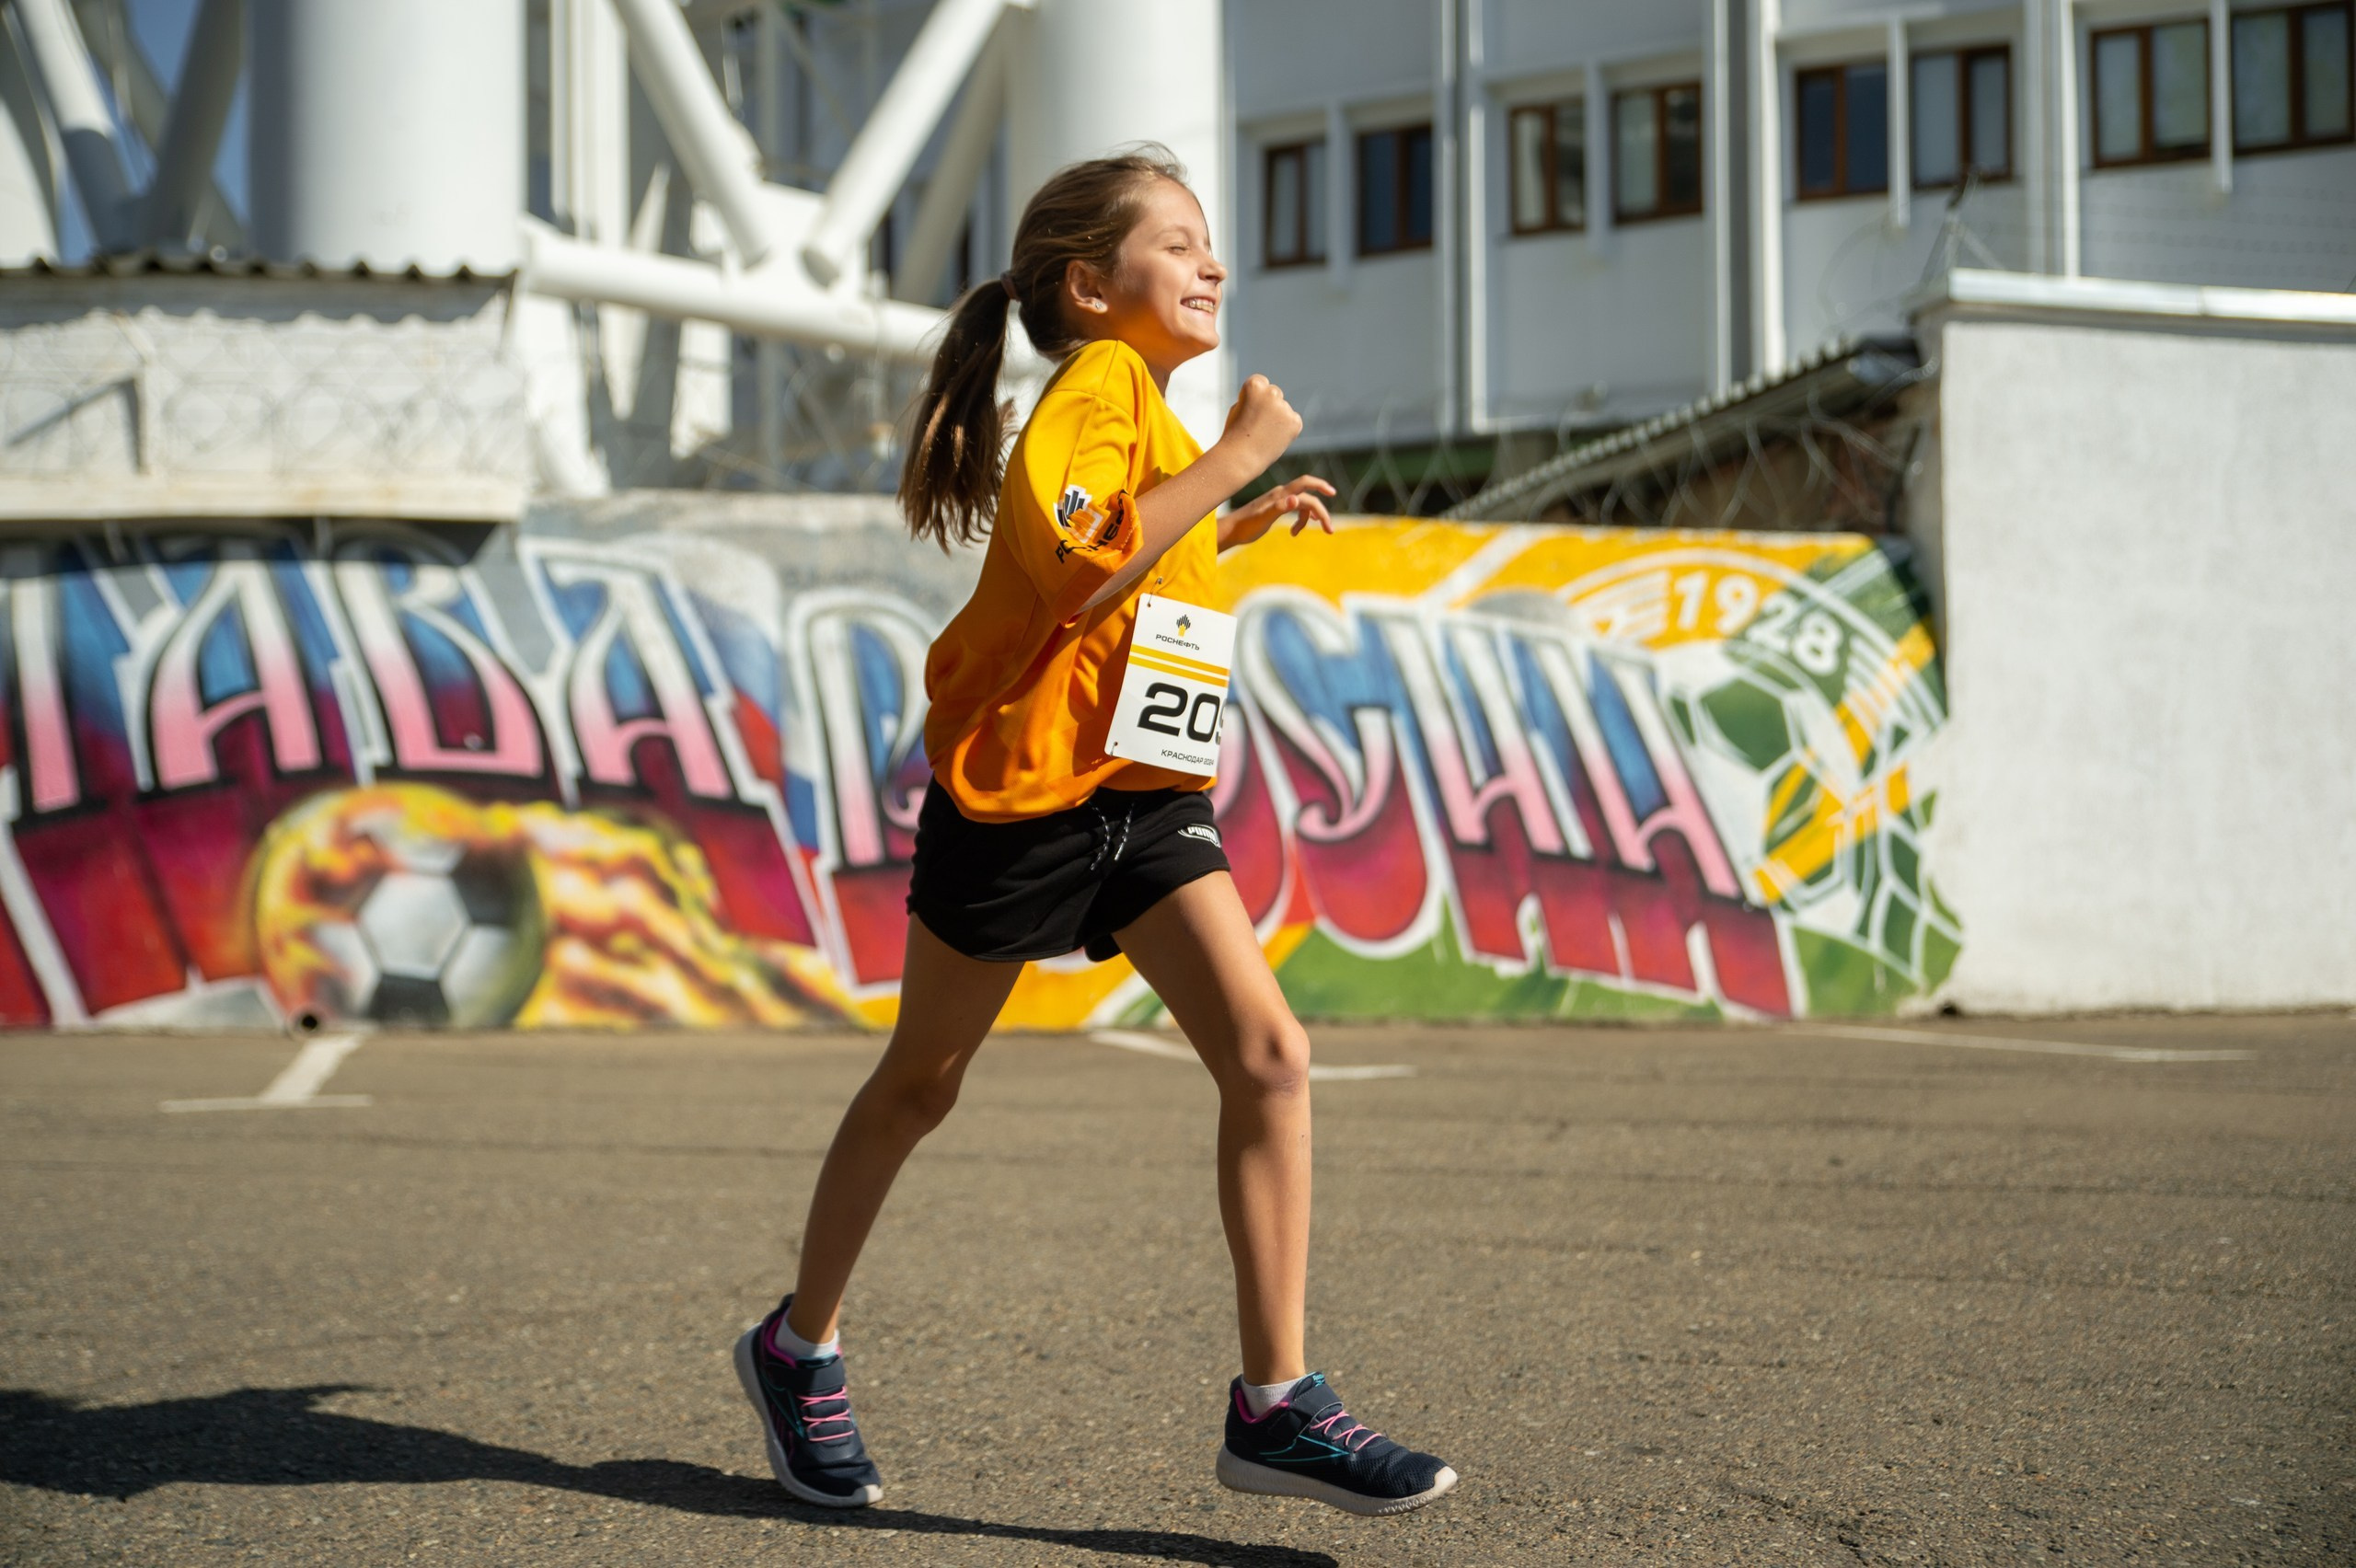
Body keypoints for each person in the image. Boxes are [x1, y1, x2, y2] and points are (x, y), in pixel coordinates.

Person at [732, 147, 1457, 1520]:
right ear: (1088, 282)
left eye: (1209, 244)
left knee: (1269, 1055)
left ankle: (1278, 1406)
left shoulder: (1153, 419)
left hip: (1145, 797)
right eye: (1178, 244)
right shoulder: (1097, 388)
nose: (1212, 265)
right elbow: (1078, 568)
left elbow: (1138, 555)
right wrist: (1244, 454)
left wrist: (1231, 520)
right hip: (1021, 802)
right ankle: (795, 1346)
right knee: (920, 1086)